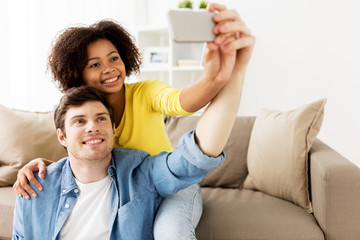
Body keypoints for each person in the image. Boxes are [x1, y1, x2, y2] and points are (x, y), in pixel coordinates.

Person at [13, 3, 254, 239]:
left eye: (114, 58)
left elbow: (183, 102)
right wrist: (42, 166)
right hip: (130, 193)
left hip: (167, 181)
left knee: (170, 232)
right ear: (78, 74)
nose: (109, 69)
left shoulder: (145, 92)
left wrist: (215, 77)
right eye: (95, 64)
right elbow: (80, 160)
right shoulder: (78, 111)